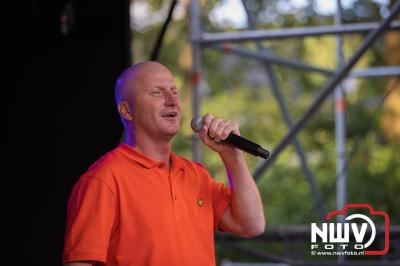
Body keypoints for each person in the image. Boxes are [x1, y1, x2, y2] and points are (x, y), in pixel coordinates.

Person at [63, 61, 265, 266]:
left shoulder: (195, 174)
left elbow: (251, 225)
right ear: (126, 110)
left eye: (174, 91)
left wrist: (232, 156)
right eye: (157, 93)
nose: (172, 101)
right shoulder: (103, 179)